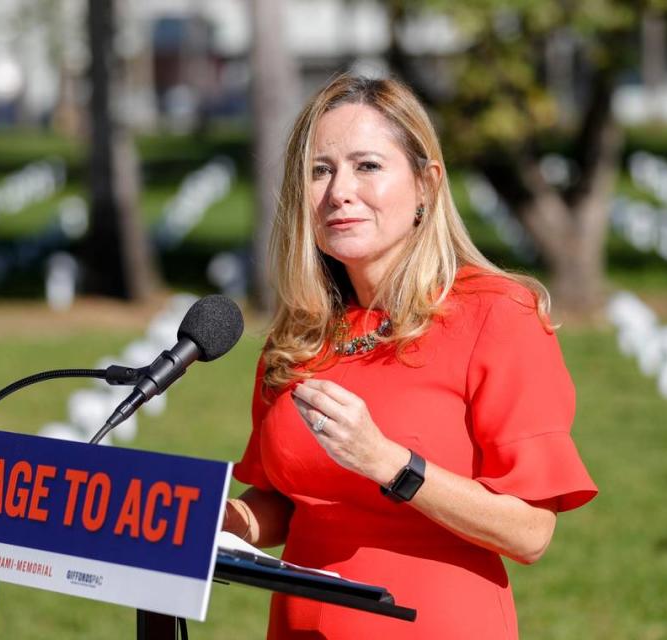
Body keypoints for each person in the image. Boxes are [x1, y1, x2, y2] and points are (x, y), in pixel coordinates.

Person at [223, 73, 598, 639]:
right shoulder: (300, 333)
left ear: (426, 185)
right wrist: (207, 521)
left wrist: (390, 464)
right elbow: (284, 501)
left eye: (367, 166)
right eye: (320, 170)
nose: (339, 191)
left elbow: (529, 532)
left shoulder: (498, 315)